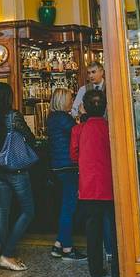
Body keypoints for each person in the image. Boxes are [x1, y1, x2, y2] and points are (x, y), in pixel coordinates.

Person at [70, 89, 119, 277]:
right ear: (105, 107)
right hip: (110, 183)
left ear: (85, 107)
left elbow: (74, 156)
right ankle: (117, 271)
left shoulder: (78, 130)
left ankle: (96, 270)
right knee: (115, 228)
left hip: (89, 185)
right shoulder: (110, 127)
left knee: (93, 230)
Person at [0, 82, 36, 271]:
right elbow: (31, 138)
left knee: (3, 211)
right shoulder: (13, 116)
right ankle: (7, 253)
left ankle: (6, 252)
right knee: (28, 211)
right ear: (9, 97)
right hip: (16, 169)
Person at [46, 87, 87, 261]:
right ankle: (67, 249)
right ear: (63, 101)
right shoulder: (64, 118)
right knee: (69, 208)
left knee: (66, 206)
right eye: (70, 98)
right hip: (68, 166)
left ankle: (58, 245)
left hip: (58, 166)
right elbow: (81, 134)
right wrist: (83, 116)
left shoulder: (52, 118)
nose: (72, 101)